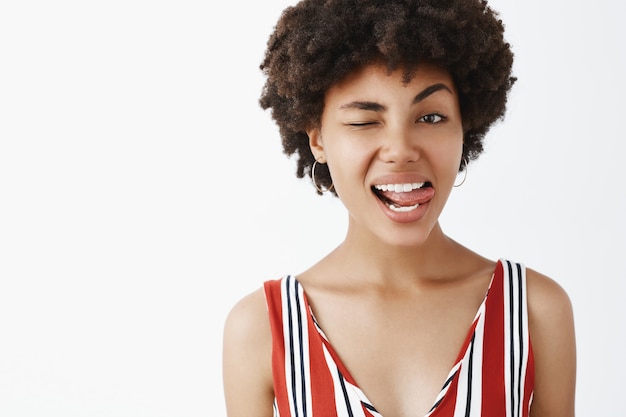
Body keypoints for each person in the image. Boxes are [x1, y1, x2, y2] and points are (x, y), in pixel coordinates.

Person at [222, 0, 576, 416]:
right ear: (317, 138)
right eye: (364, 121)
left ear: (467, 125)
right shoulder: (263, 329)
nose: (402, 151)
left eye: (430, 117)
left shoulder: (535, 313)